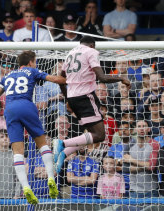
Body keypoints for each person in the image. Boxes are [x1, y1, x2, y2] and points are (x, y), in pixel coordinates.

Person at [0, 51, 66, 204]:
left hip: (10, 109)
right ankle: (50, 177)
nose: (35, 64)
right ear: (30, 62)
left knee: (17, 152)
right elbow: (55, 79)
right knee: (42, 143)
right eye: (35, 62)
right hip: (26, 106)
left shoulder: (7, 76)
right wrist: (69, 79)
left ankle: (25, 186)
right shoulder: (32, 71)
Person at [53, 36, 131, 174]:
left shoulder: (70, 54)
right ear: (92, 45)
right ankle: (62, 143)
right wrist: (122, 78)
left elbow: (61, 79)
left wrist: (68, 99)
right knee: (100, 135)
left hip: (73, 97)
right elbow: (102, 77)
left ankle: (64, 153)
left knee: (91, 134)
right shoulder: (90, 52)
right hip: (85, 97)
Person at [0, 129, 21, 199]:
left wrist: (17, 194)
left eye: (7, 136)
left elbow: (19, 177)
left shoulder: (15, 156)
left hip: (11, 197)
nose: (5, 139)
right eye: (2, 137)